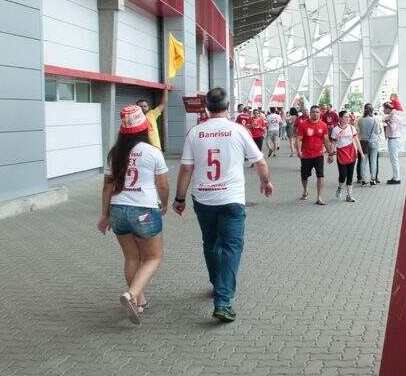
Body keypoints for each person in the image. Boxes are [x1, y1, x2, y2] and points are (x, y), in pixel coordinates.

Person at [173, 88, 274, 323]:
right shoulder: (239, 130)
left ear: (206, 107)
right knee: (231, 247)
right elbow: (259, 161)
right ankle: (223, 300)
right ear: (227, 106)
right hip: (231, 200)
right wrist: (266, 183)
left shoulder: (195, 132)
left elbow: (186, 168)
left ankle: (217, 284)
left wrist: (179, 199)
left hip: (204, 199)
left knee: (210, 242)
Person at [97, 105, 169, 325]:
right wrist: (164, 205)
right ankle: (131, 294)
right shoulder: (153, 152)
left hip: (118, 209)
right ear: (144, 127)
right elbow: (163, 185)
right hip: (144, 209)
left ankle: (139, 302)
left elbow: (107, 187)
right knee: (153, 257)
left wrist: (105, 215)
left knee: (131, 257)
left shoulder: (114, 153)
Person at [296, 105, 334, 205]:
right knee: (304, 176)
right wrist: (298, 150)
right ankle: (305, 191)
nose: (315, 114)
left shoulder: (323, 125)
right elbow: (299, 139)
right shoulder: (303, 124)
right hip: (306, 155)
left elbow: (326, 140)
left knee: (320, 176)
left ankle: (319, 197)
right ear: (310, 113)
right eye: (313, 112)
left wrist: (330, 154)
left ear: (320, 113)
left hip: (319, 154)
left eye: (317, 112)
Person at [330, 111, 364, 202]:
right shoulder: (335, 130)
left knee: (350, 175)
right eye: (345, 117)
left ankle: (349, 195)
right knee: (343, 175)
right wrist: (331, 154)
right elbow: (333, 142)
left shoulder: (352, 128)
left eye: (348, 117)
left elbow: (357, 141)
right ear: (340, 118)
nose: (347, 118)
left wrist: (361, 152)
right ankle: (340, 187)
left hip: (352, 153)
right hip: (341, 154)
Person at [358, 103, 383, 185]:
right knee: (373, 161)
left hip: (363, 142)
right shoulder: (375, 120)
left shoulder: (360, 120)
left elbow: (359, 132)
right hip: (374, 142)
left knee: (363, 161)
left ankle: (363, 180)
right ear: (372, 110)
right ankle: (373, 179)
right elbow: (377, 132)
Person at [383, 101, 402, 184]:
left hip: (393, 139)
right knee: (394, 159)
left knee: (394, 159)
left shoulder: (393, 116)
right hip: (395, 139)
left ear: (388, 108)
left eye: (384, 108)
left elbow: (393, 128)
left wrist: (388, 122)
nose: (383, 110)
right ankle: (396, 176)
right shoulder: (395, 115)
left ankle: (396, 178)